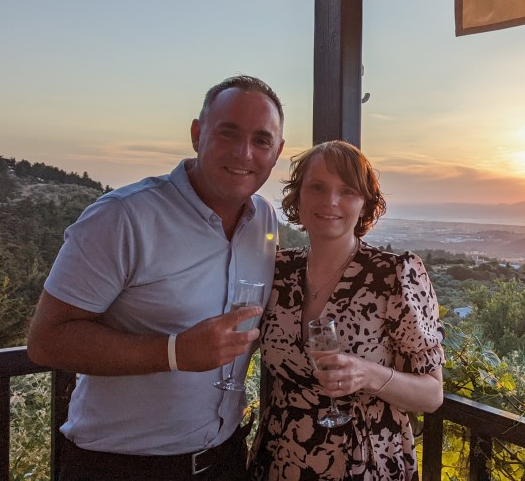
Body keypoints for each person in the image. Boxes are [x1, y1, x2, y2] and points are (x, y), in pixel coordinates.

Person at [26, 74, 286, 480]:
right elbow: (46, 341)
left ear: (277, 152)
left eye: (261, 140)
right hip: (120, 467)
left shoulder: (263, 220)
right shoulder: (123, 217)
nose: (244, 153)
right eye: (227, 133)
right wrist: (174, 352)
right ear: (197, 134)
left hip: (225, 459)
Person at [248, 140, 445, 480]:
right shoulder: (277, 272)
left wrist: (367, 374)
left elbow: (432, 394)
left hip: (365, 462)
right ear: (298, 197)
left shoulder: (394, 276)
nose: (331, 202)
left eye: (347, 191)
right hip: (281, 458)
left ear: (366, 202)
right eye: (317, 188)